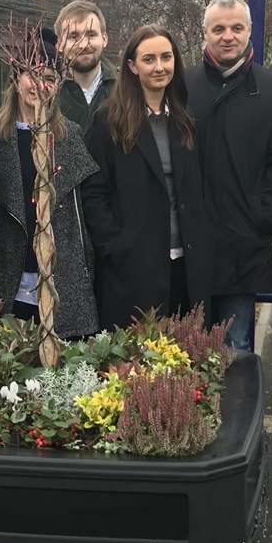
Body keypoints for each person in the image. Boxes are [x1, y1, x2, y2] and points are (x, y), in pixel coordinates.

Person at [185, 0, 272, 351]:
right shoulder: (182, 85)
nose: (228, 36)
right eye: (218, 29)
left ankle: (237, 411)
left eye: (236, 28)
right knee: (184, 350)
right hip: (190, 246)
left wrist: (264, 218)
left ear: (250, 30)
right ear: (204, 33)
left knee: (237, 352)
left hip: (244, 246)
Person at [82, 24, 213, 330]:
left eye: (166, 58)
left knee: (185, 365)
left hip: (187, 266)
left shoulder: (187, 119)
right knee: (135, 368)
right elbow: (93, 194)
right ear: (132, 65)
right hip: (133, 269)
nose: (159, 67)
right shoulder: (108, 121)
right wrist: (117, 247)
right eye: (149, 59)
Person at [0, 49, 100, 339]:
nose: (39, 84)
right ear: (16, 79)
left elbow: (84, 213)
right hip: (9, 286)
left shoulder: (68, 136)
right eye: (32, 75)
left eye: (49, 77)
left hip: (61, 286)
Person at [54, 0, 117, 129]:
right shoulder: (48, 92)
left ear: (104, 39)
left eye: (91, 34)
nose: (83, 45)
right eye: (74, 37)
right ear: (59, 44)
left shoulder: (126, 87)